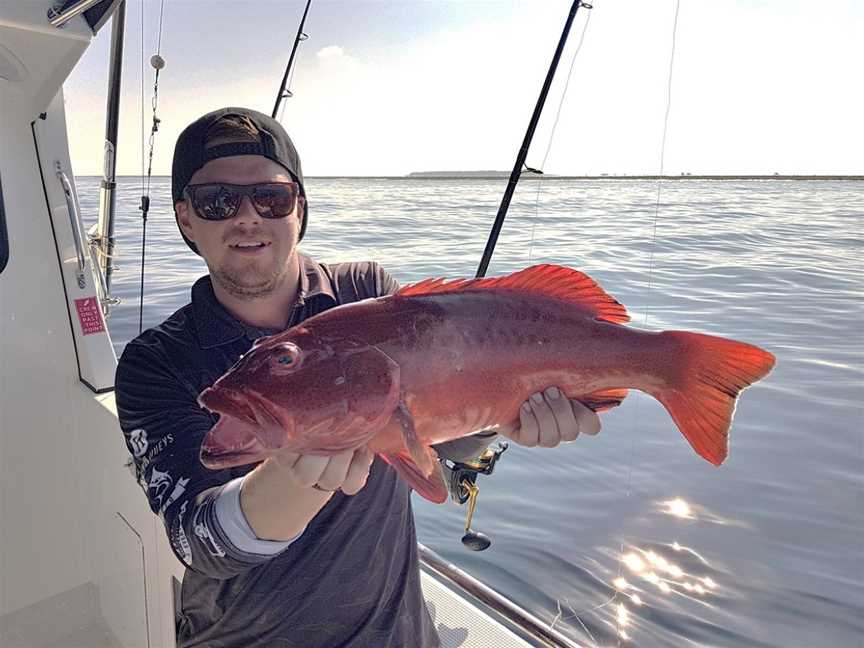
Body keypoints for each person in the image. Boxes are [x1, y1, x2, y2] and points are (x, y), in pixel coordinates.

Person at [115, 106, 601, 648]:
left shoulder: (366, 292)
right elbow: (197, 541)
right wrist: (297, 477)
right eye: (217, 201)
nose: (248, 217)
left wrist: (501, 418)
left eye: (271, 198)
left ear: (300, 207)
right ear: (185, 218)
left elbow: (431, 433)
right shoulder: (153, 364)